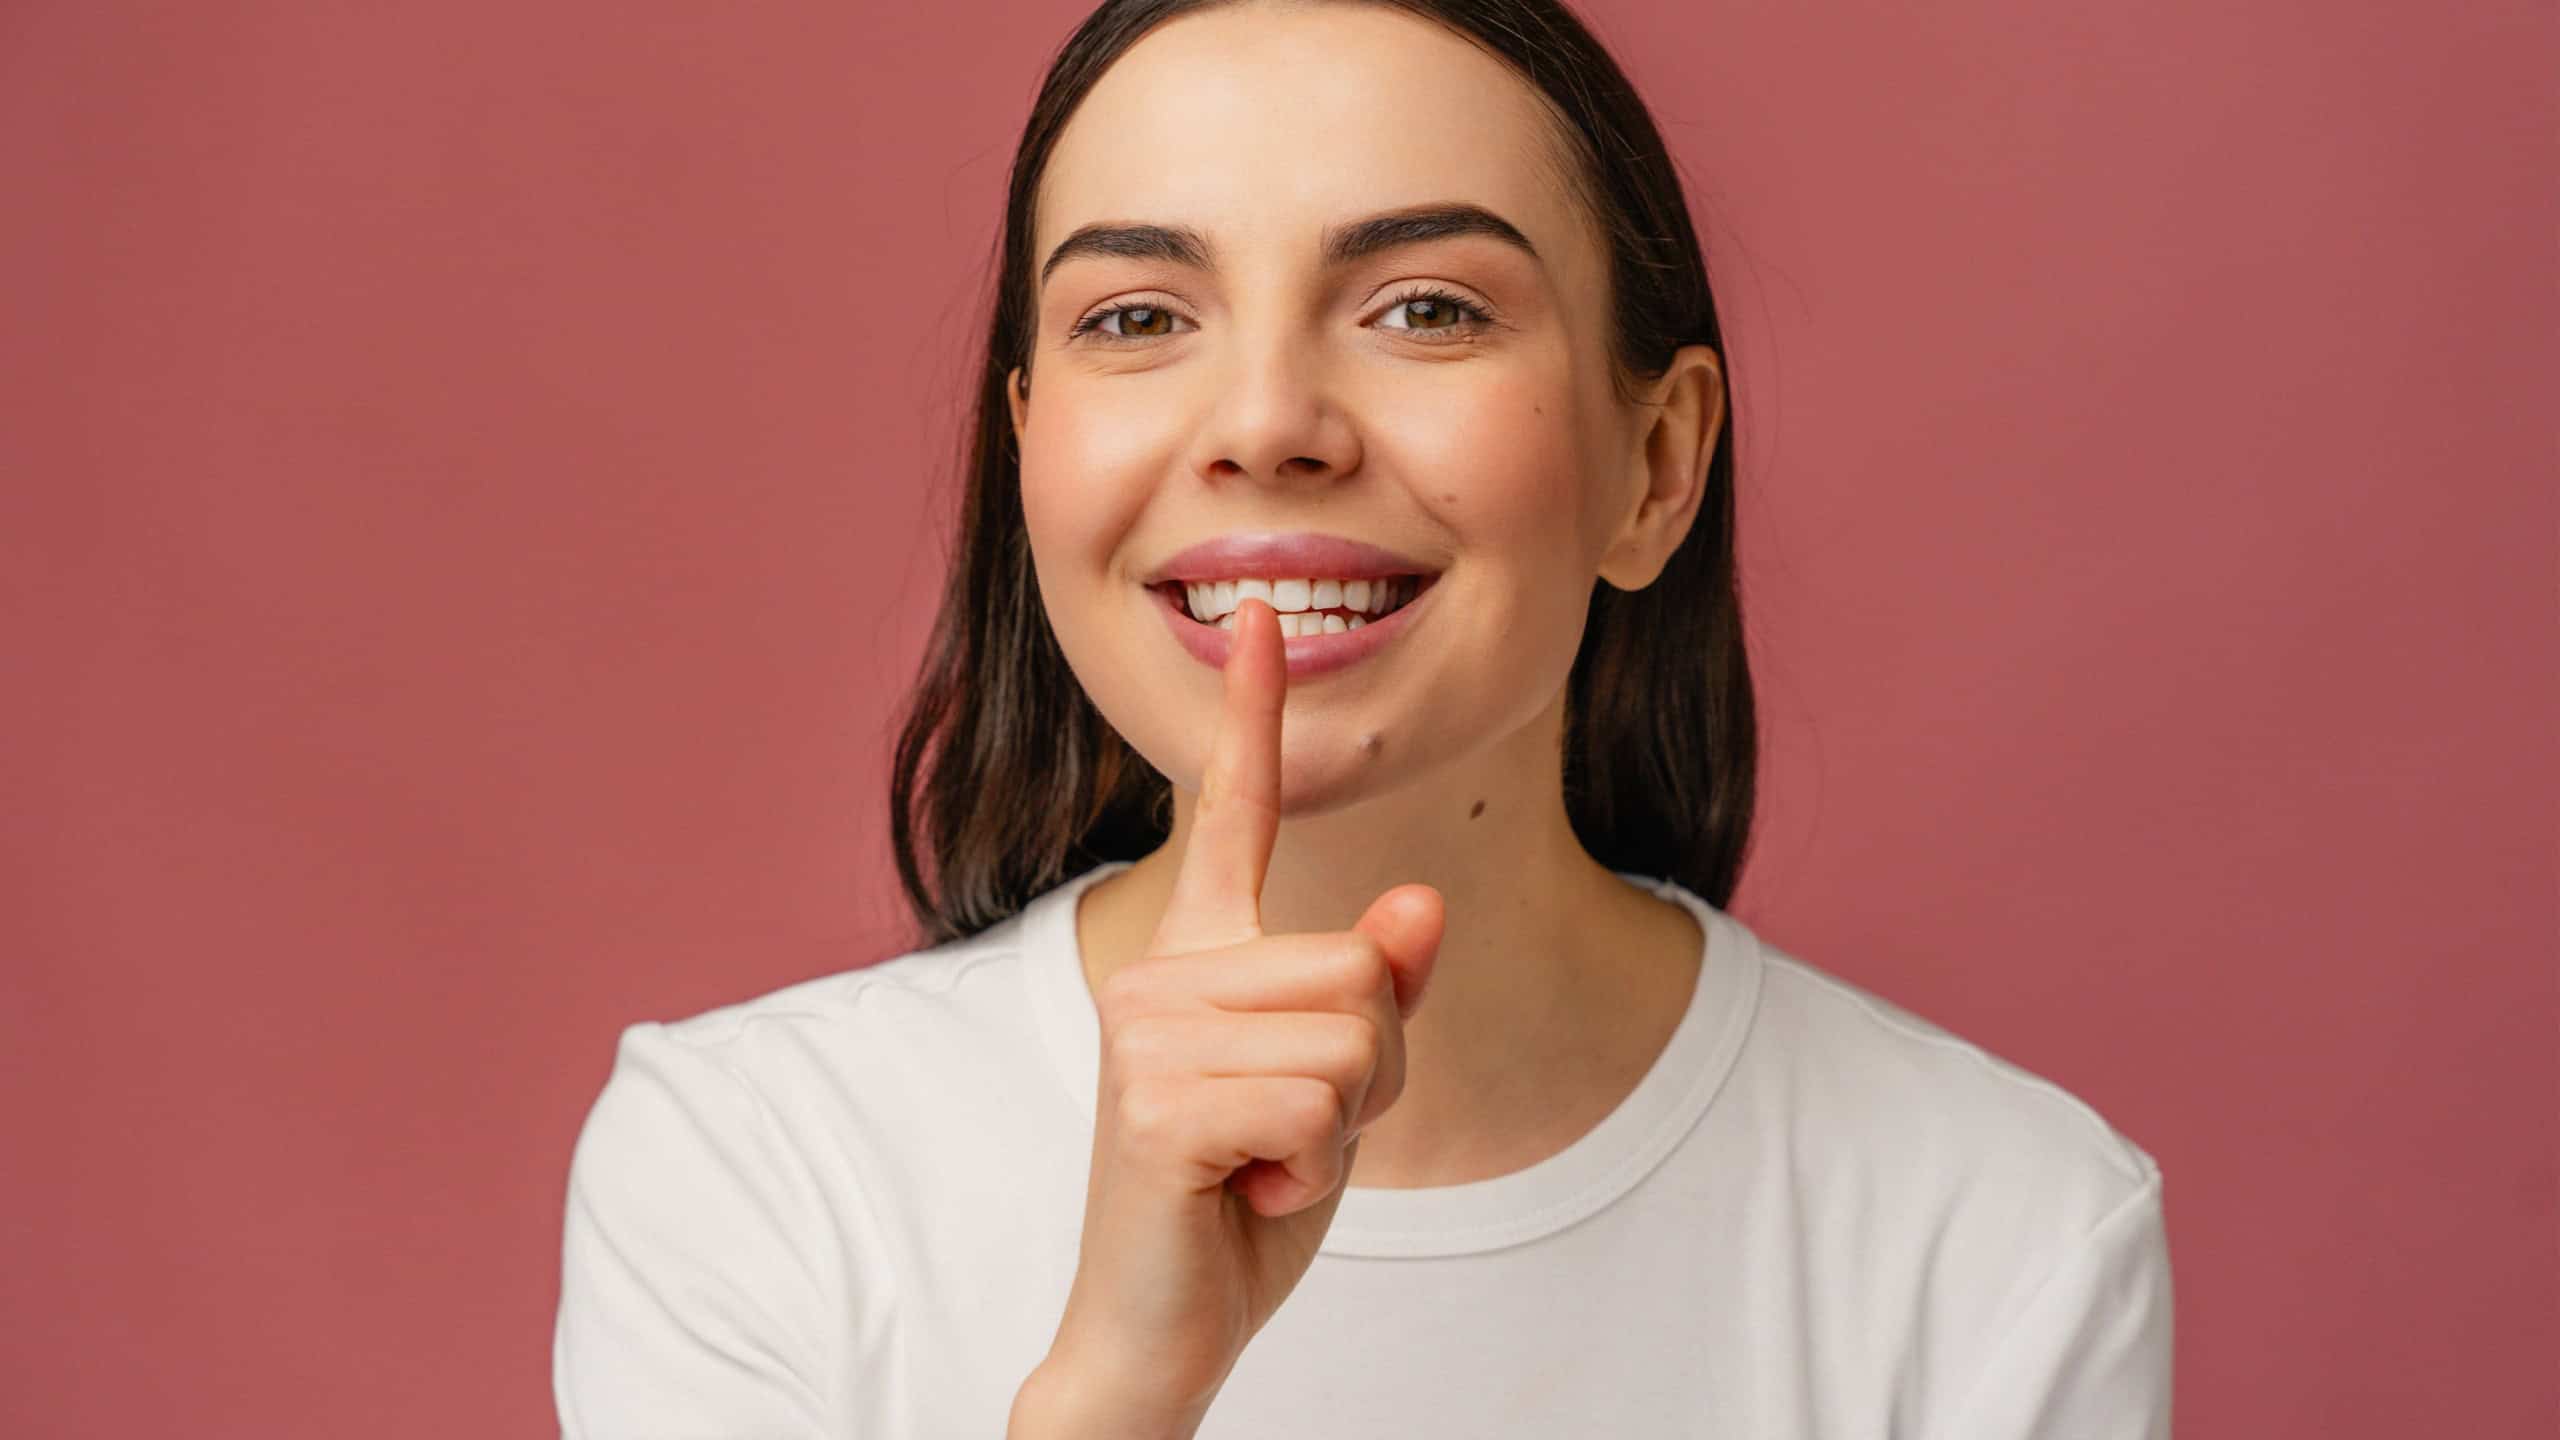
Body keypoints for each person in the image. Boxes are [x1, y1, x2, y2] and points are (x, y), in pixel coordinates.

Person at [551, 0, 2175, 1435]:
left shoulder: (2007, 1231)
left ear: (1659, 466)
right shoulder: (751, 1171)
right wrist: (1117, 1394)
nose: (1266, 424)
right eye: (1136, 317)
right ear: (1027, 455)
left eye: (1424, 309)